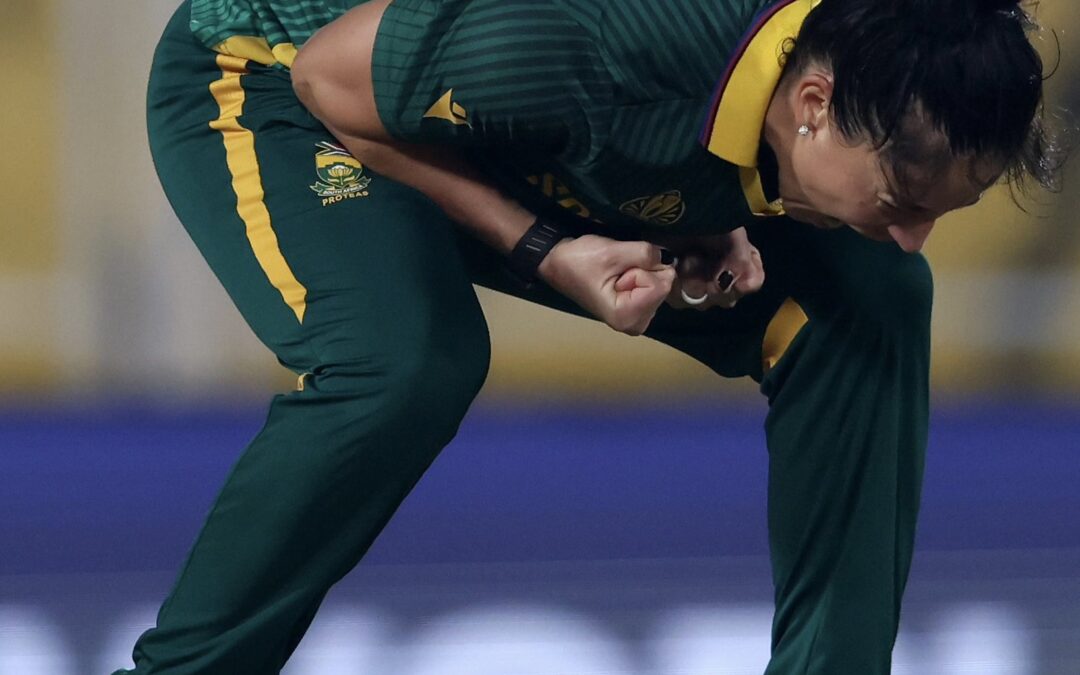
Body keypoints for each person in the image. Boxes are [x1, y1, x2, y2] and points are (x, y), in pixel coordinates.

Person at [124, 0, 1059, 672]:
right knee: (407, 362)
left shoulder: (854, 58)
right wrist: (546, 248)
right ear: (813, 103)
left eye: (945, 210)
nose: (914, 232)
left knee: (872, 294)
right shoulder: (604, 43)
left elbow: (654, 138)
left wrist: (712, 201)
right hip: (278, 83)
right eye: (902, 199)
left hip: (508, 118)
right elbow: (333, 78)